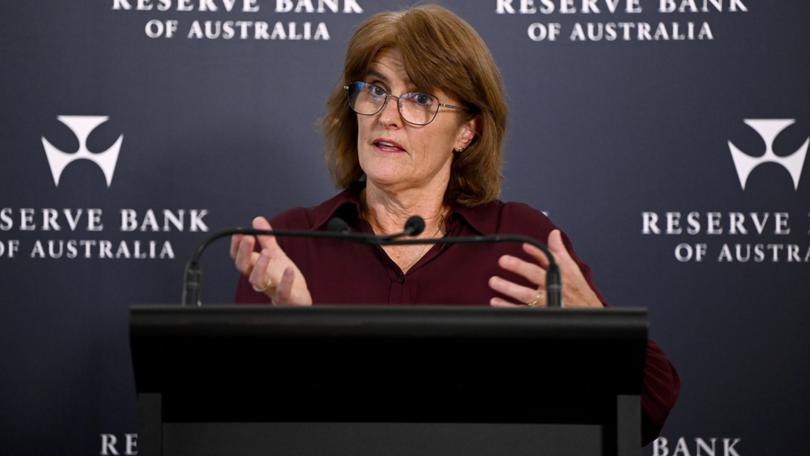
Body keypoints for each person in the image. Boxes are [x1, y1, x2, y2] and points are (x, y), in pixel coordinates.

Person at [230, 4, 679, 445]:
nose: (388, 115)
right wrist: (295, 334)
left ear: (468, 131)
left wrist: (594, 325)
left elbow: (649, 410)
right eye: (375, 90)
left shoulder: (520, 243)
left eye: (421, 98)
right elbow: (230, 425)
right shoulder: (289, 245)